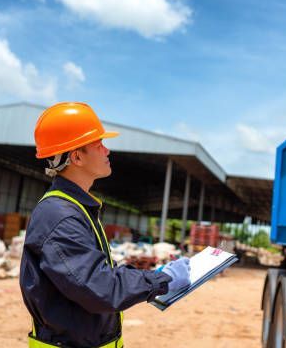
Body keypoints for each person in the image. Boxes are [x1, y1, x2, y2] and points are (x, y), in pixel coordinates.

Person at [20, 102, 191, 348]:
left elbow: (97, 272)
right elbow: (100, 288)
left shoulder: (75, 208)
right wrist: (160, 280)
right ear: (77, 157)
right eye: (98, 144)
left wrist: (153, 274)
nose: (107, 150)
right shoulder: (61, 216)